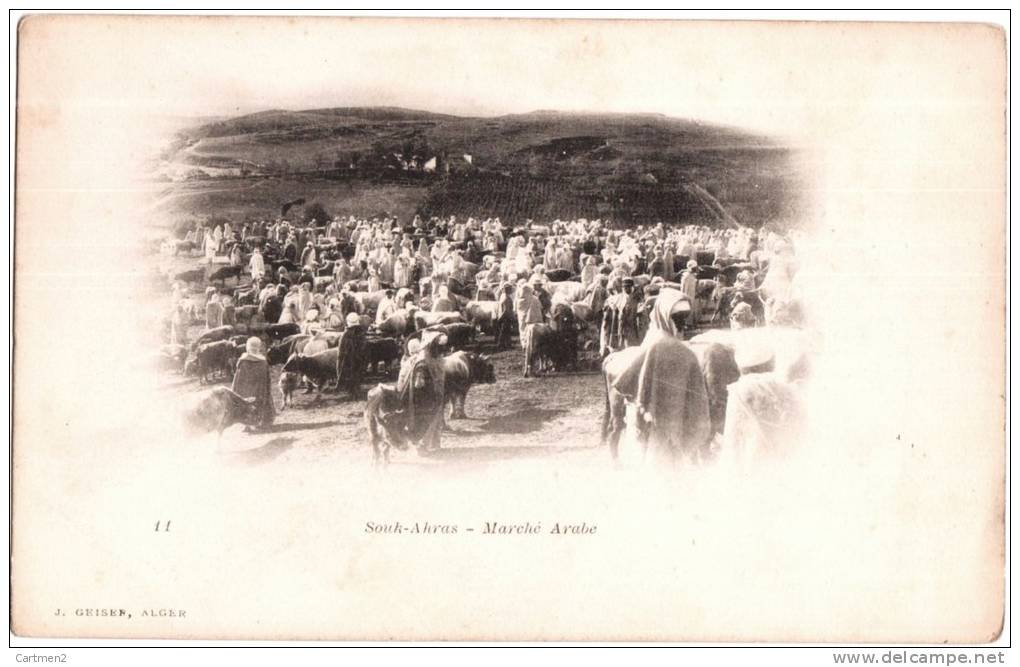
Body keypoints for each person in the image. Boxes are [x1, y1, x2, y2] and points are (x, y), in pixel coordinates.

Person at [603, 288, 711, 465]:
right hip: (659, 423)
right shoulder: (661, 348)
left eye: (684, 319)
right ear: (665, 318)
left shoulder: (664, 346)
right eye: (678, 319)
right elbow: (628, 380)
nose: (682, 325)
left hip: (663, 419)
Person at [231, 337, 275, 431]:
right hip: (259, 390)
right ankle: (258, 422)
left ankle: (246, 425)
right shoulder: (263, 362)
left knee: (245, 404)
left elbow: (238, 377)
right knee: (258, 404)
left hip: (245, 389)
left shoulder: (242, 361)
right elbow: (266, 379)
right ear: (259, 347)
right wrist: (266, 389)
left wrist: (236, 389)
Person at [601, 277, 640, 356]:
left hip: (632, 326)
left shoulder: (637, 299)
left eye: (628, 287)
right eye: (625, 287)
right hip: (622, 326)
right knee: (622, 346)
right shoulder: (619, 298)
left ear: (632, 287)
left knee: (632, 347)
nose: (627, 289)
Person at [335, 312, 367, 399]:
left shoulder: (345, 334)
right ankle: (356, 390)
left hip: (348, 360)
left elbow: (341, 351)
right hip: (359, 359)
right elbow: (364, 346)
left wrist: (339, 364)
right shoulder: (361, 333)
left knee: (349, 375)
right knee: (357, 374)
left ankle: (352, 392)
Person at [494, 282, 515, 350]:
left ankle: (507, 344)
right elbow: (506, 310)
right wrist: (501, 318)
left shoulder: (503, 296)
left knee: (506, 332)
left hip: (504, 316)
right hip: (506, 317)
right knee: (504, 332)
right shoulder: (506, 298)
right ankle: (501, 345)